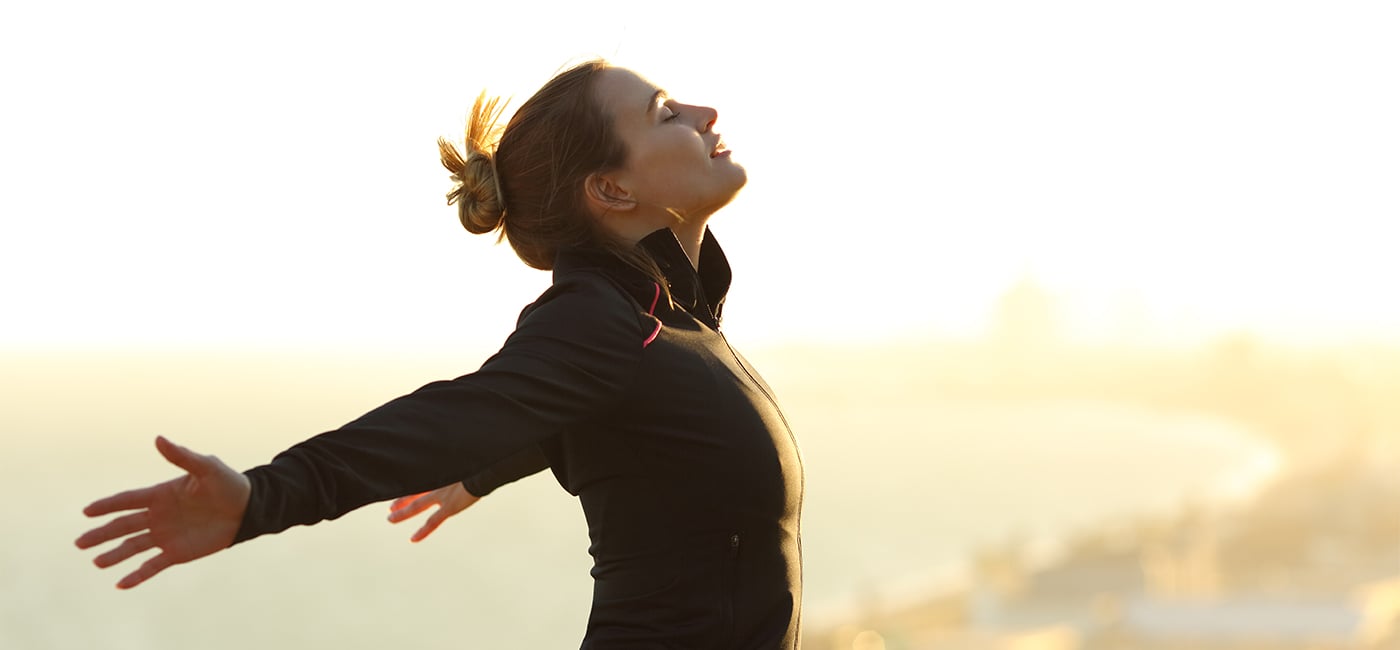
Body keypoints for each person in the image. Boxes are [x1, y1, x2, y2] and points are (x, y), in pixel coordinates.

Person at [76, 59, 804, 649]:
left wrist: (488, 467)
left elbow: (623, 411)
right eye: (665, 114)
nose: (705, 116)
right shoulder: (604, 321)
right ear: (611, 188)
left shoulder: (671, 322)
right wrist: (265, 497)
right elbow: (456, 413)